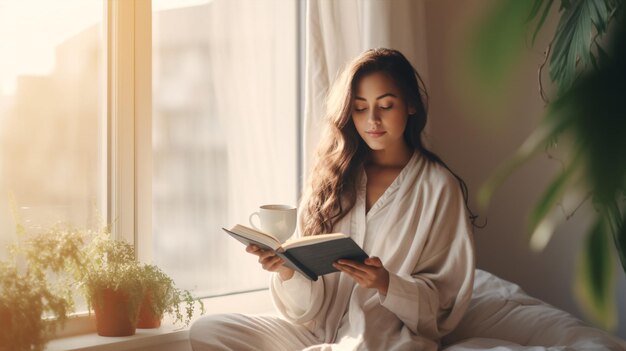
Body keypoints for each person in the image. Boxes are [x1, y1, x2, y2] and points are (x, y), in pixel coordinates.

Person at [190, 48, 475, 350]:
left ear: (411, 105)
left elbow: (444, 304)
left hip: (382, 336)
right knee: (209, 330)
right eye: (360, 108)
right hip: (315, 332)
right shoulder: (335, 177)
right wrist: (287, 270)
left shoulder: (438, 188)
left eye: (386, 105)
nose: (373, 120)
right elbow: (305, 311)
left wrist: (386, 283)